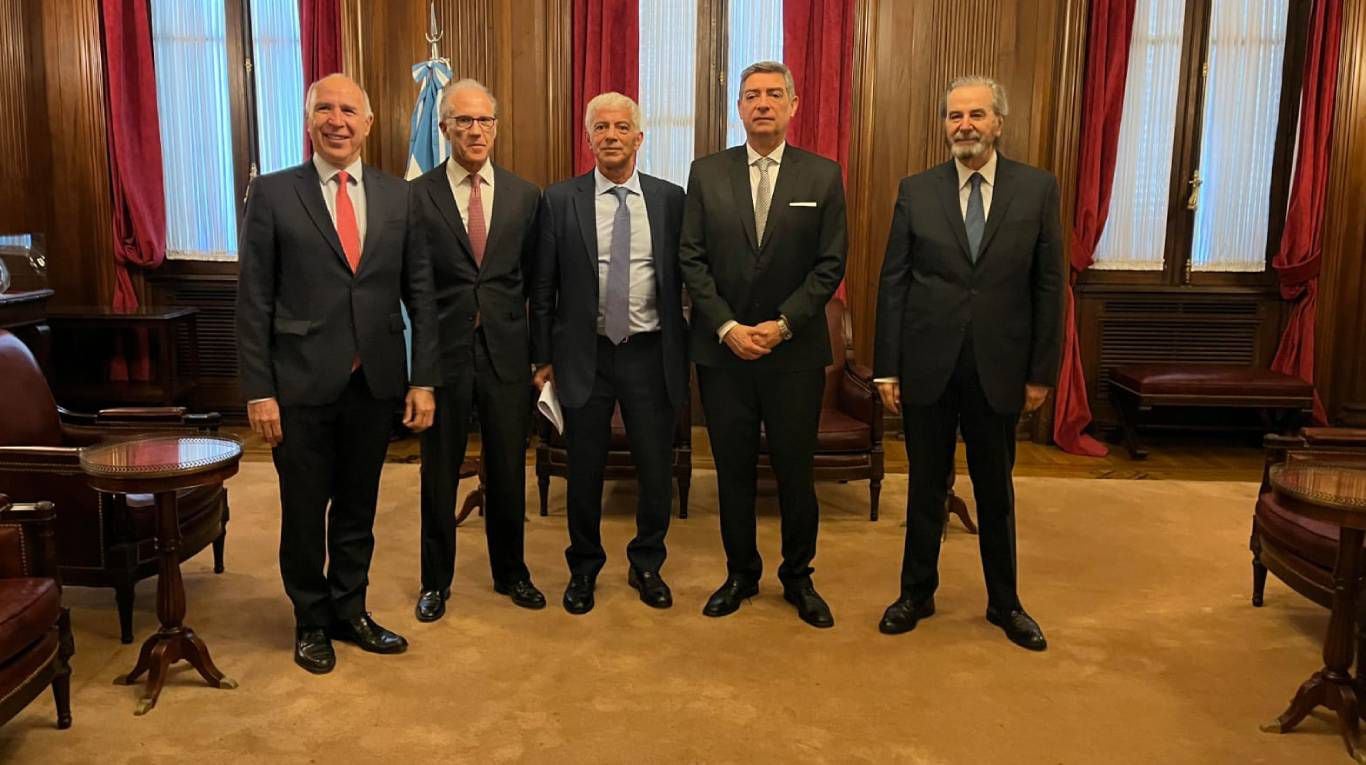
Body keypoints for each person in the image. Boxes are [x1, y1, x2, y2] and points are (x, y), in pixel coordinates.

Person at [237, 74, 439, 674]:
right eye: (324, 108)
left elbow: (421, 294)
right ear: (309, 121)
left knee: (358, 506)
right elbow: (254, 301)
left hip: (374, 383)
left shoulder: (397, 196)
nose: (337, 120)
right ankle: (310, 620)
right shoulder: (272, 194)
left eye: (349, 109)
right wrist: (259, 390)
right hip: (298, 385)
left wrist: (422, 378)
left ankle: (350, 610)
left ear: (369, 123)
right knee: (304, 510)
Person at [872, 76, 1063, 651]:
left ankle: (1005, 603)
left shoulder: (1036, 190)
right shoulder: (917, 190)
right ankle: (916, 593)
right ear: (945, 125)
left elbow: (1049, 285)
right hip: (928, 362)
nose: (966, 126)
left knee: (994, 488)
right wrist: (887, 368)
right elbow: (894, 284)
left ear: (999, 123)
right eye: (955, 116)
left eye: (977, 115)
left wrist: (1041, 371)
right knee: (925, 487)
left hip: (999, 366)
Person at [678, 61, 847, 629]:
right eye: (753, 96)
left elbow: (830, 266)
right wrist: (727, 327)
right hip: (723, 353)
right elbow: (691, 260)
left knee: (796, 471)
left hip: (794, 354)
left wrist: (783, 324)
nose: (764, 104)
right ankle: (740, 573)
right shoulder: (706, 173)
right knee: (732, 470)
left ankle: (798, 578)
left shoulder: (822, 176)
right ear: (740, 109)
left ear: (794, 105)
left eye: (775, 94)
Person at [530, 92, 687, 615]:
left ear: (640, 138)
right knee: (585, 468)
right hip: (583, 355)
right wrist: (541, 357)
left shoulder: (670, 200)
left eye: (623, 127)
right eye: (602, 127)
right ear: (589, 137)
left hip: (649, 351)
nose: (612, 136)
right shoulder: (559, 199)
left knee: (654, 466)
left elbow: (687, 276)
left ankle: (647, 563)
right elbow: (543, 285)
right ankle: (584, 568)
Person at [409, 79, 546, 621]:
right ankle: (434, 581)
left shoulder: (524, 195)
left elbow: (538, 284)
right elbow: (412, 289)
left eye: (484, 120)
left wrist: (540, 357)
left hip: (507, 355)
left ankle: (511, 572)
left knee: (508, 467)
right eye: (463, 121)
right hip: (442, 355)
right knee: (438, 472)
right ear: (443, 128)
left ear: (496, 127)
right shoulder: (417, 196)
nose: (474, 130)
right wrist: (417, 368)